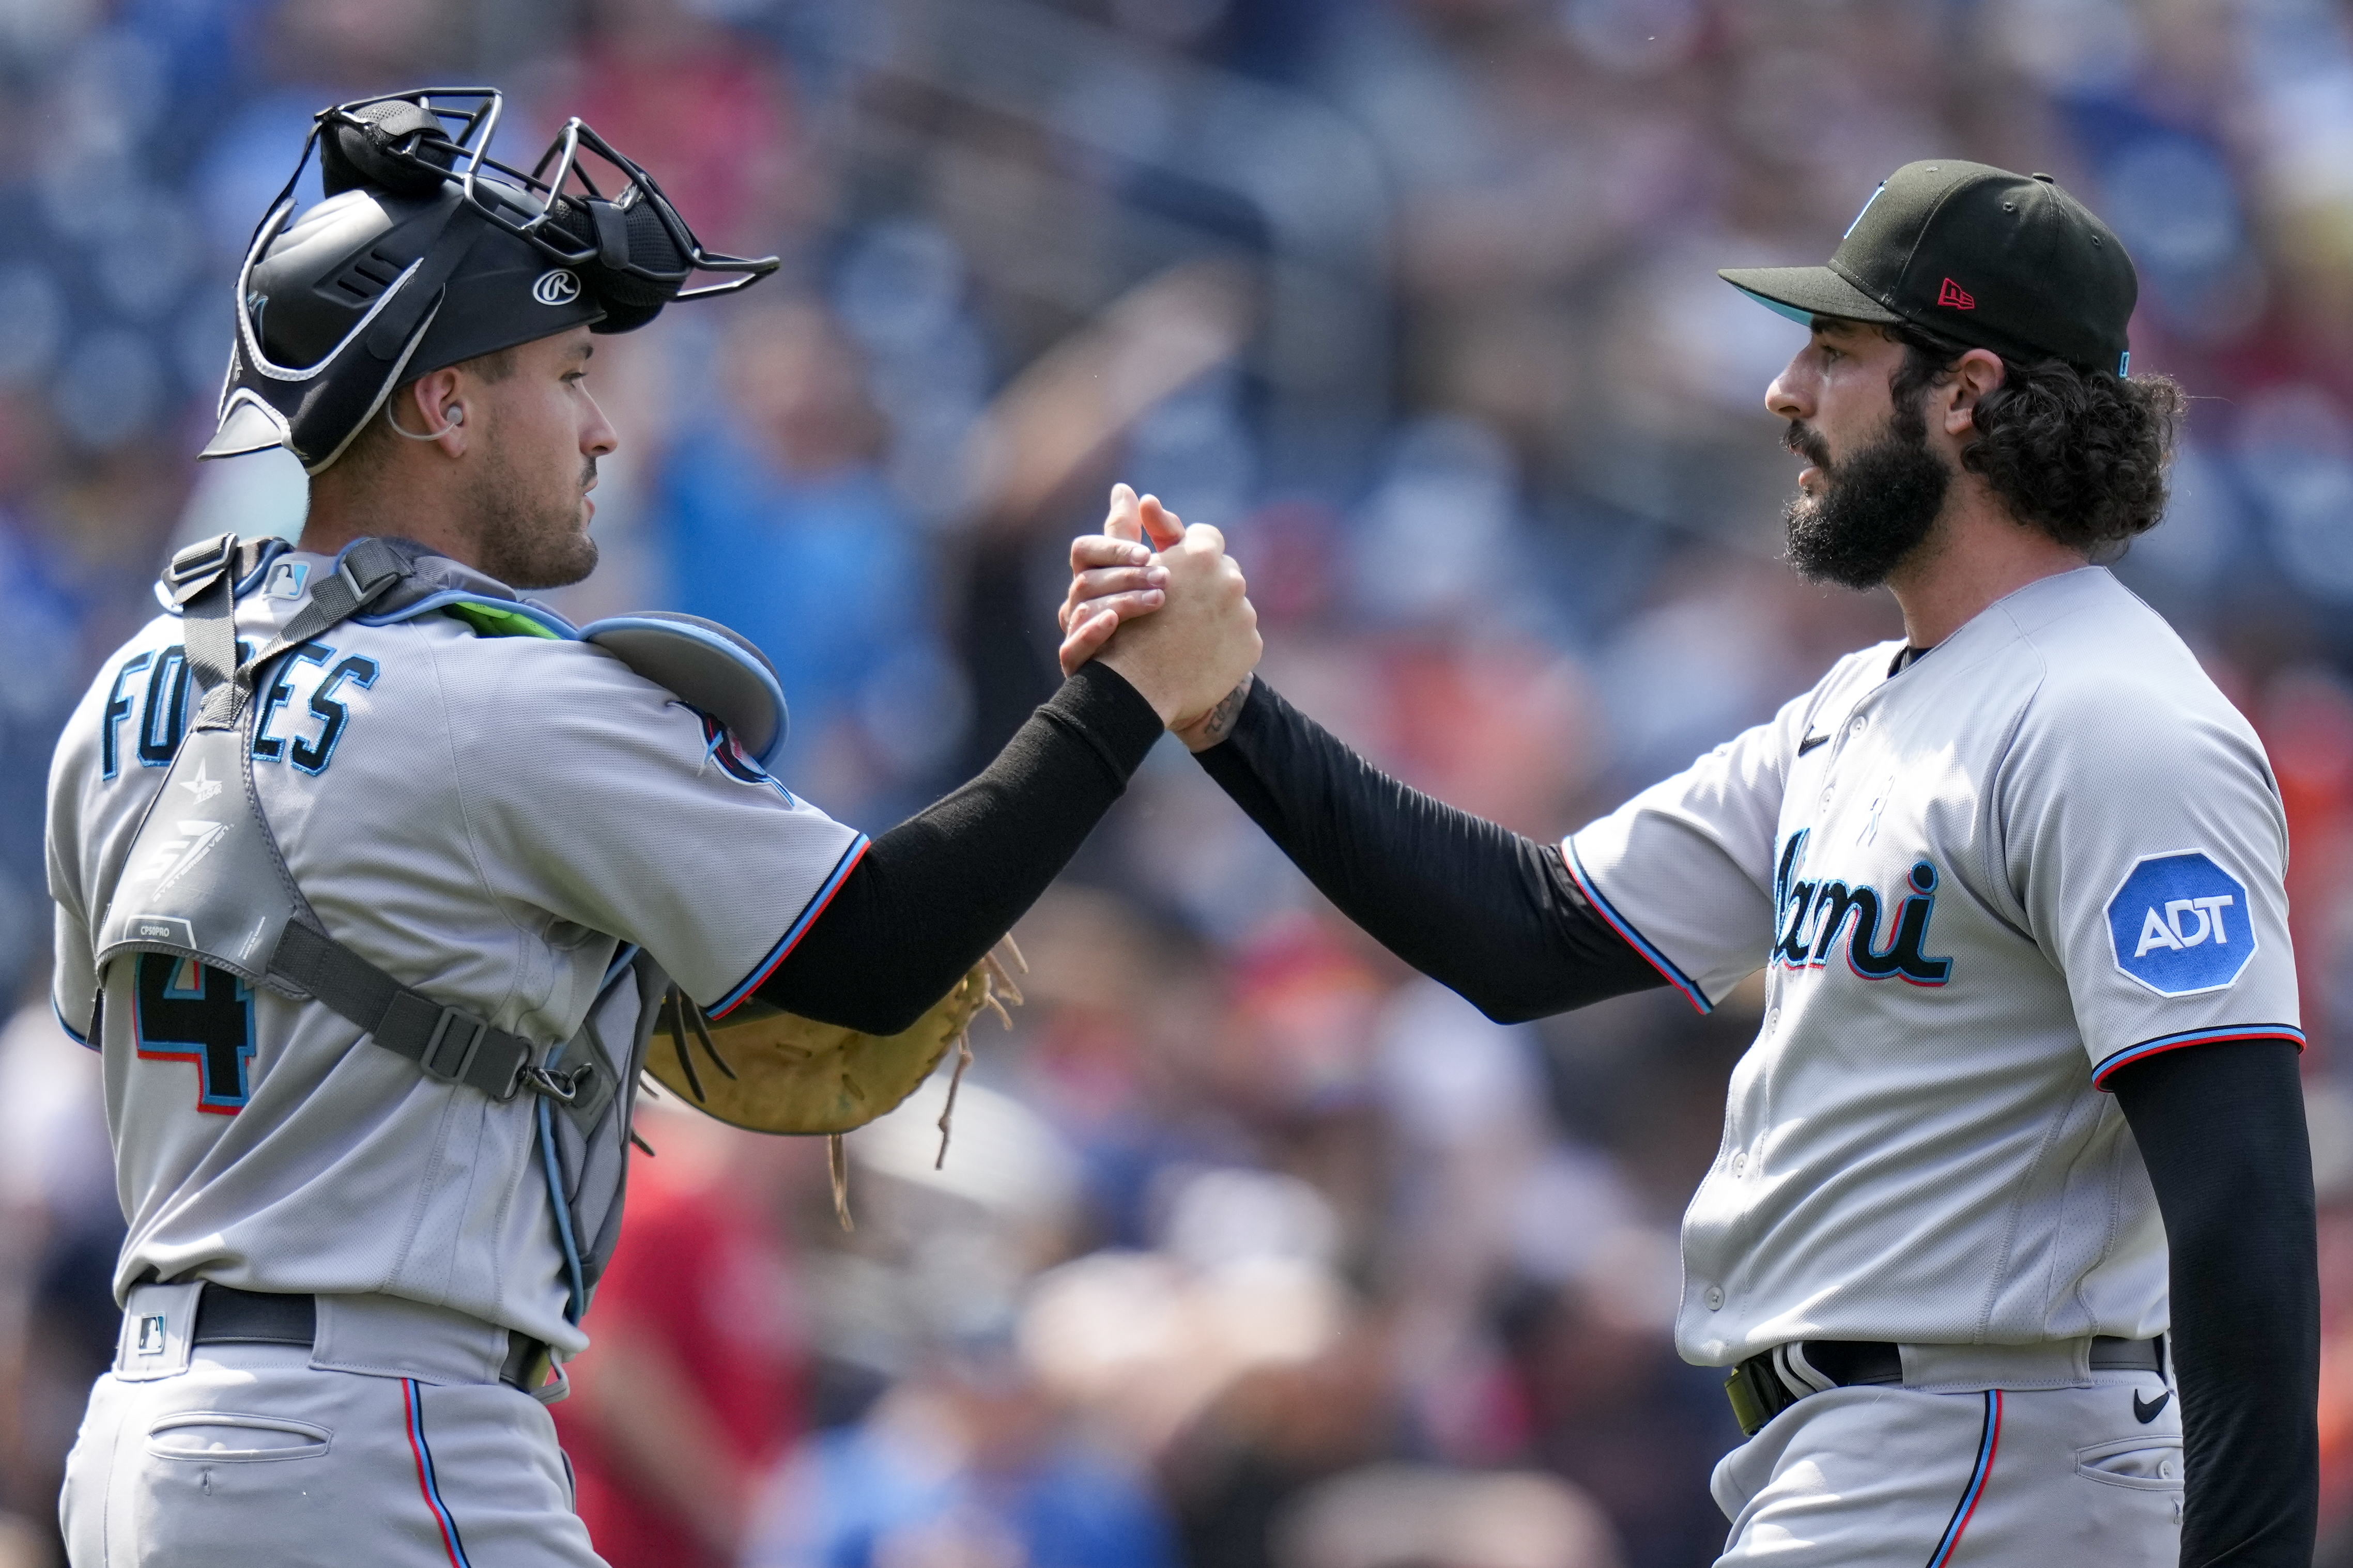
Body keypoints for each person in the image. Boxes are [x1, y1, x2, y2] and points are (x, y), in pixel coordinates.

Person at [45, 89, 1256, 1567]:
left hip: (138, 1443)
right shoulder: (502, 694)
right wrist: (1128, 695)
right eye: (567, 371)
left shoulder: (125, 695)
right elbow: (867, 956)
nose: (603, 423)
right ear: (444, 403)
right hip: (380, 1435)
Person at [1065, 160, 2316, 1565]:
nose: (1784, 390)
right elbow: (1525, 931)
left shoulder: (2112, 718)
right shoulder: (1860, 710)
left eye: (1836, 351)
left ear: (1962, 394)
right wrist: (1227, 709)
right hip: (1876, 1451)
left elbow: (2241, 1199)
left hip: (1985, 1452)